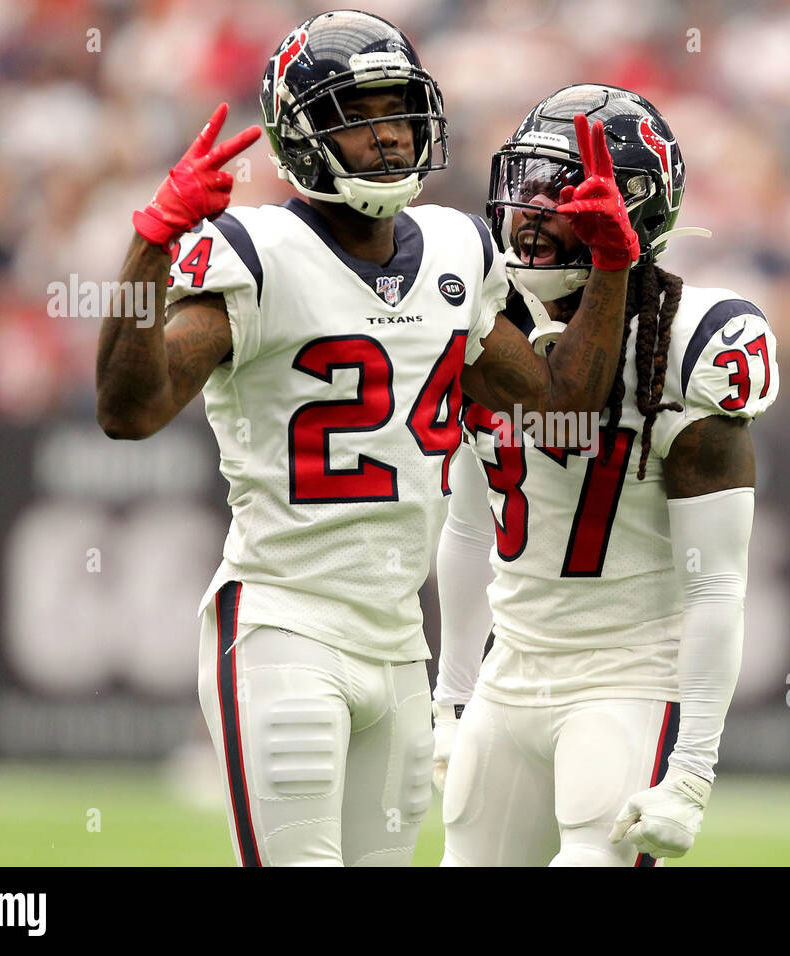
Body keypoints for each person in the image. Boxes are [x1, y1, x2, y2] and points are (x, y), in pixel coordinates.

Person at [95, 10, 639, 867]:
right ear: (304, 135)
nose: (388, 136)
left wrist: (610, 267)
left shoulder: (458, 247)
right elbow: (129, 411)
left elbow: (559, 404)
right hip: (284, 624)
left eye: (397, 112)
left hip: (397, 642)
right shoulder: (257, 251)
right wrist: (148, 246)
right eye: (360, 114)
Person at [431, 84, 779, 866]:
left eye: (567, 192)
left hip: (629, 677)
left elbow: (716, 583)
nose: (533, 210)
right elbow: (464, 523)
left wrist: (690, 773)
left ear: (635, 212)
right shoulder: (482, 317)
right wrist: (451, 698)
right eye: (528, 186)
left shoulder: (695, 342)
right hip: (509, 674)